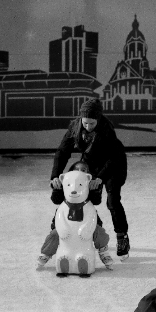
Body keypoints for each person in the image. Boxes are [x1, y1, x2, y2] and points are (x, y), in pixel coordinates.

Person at [50, 98, 130, 260]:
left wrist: (100, 178)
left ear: (98, 120)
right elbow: (62, 152)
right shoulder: (75, 127)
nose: (87, 127)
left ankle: (122, 236)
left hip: (113, 164)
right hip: (92, 162)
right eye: (85, 123)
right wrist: (54, 176)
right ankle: (95, 230)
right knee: (84, 196)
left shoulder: (107, 129)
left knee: (112, 200)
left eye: (91, 124)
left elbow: (112, 159)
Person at [37, 160, 114, 271]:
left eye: (83, 170)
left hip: (86, 221)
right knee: (55, 235)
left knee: (99, 232)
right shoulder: (66, 186)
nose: (80, 172)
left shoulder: (89, 186)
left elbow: (96, 202)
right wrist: (57, 188)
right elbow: (56, 200)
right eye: (76, 169)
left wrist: (95, 189)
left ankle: (103, 251)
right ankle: (46, 253)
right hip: (66, 222)